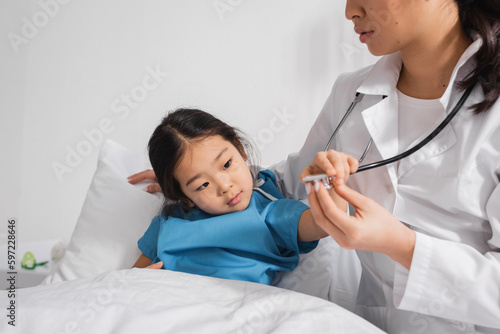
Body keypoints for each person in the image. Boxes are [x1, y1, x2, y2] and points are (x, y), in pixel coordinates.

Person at [130, 0, 500, 332]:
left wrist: (399, 243)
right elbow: (290, 180)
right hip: (371, 322)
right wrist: (191, 178)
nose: (349, 11)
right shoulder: (351, 94)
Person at [131, 108, 333, 285]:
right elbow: (132, 278)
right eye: (202, 185)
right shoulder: (168, 220)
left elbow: (323, 223)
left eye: (227, 164)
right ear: (184, 196)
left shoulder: (267, 213)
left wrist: (334, 180)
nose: (225, 186)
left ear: (240, 149)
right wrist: (137, 286)